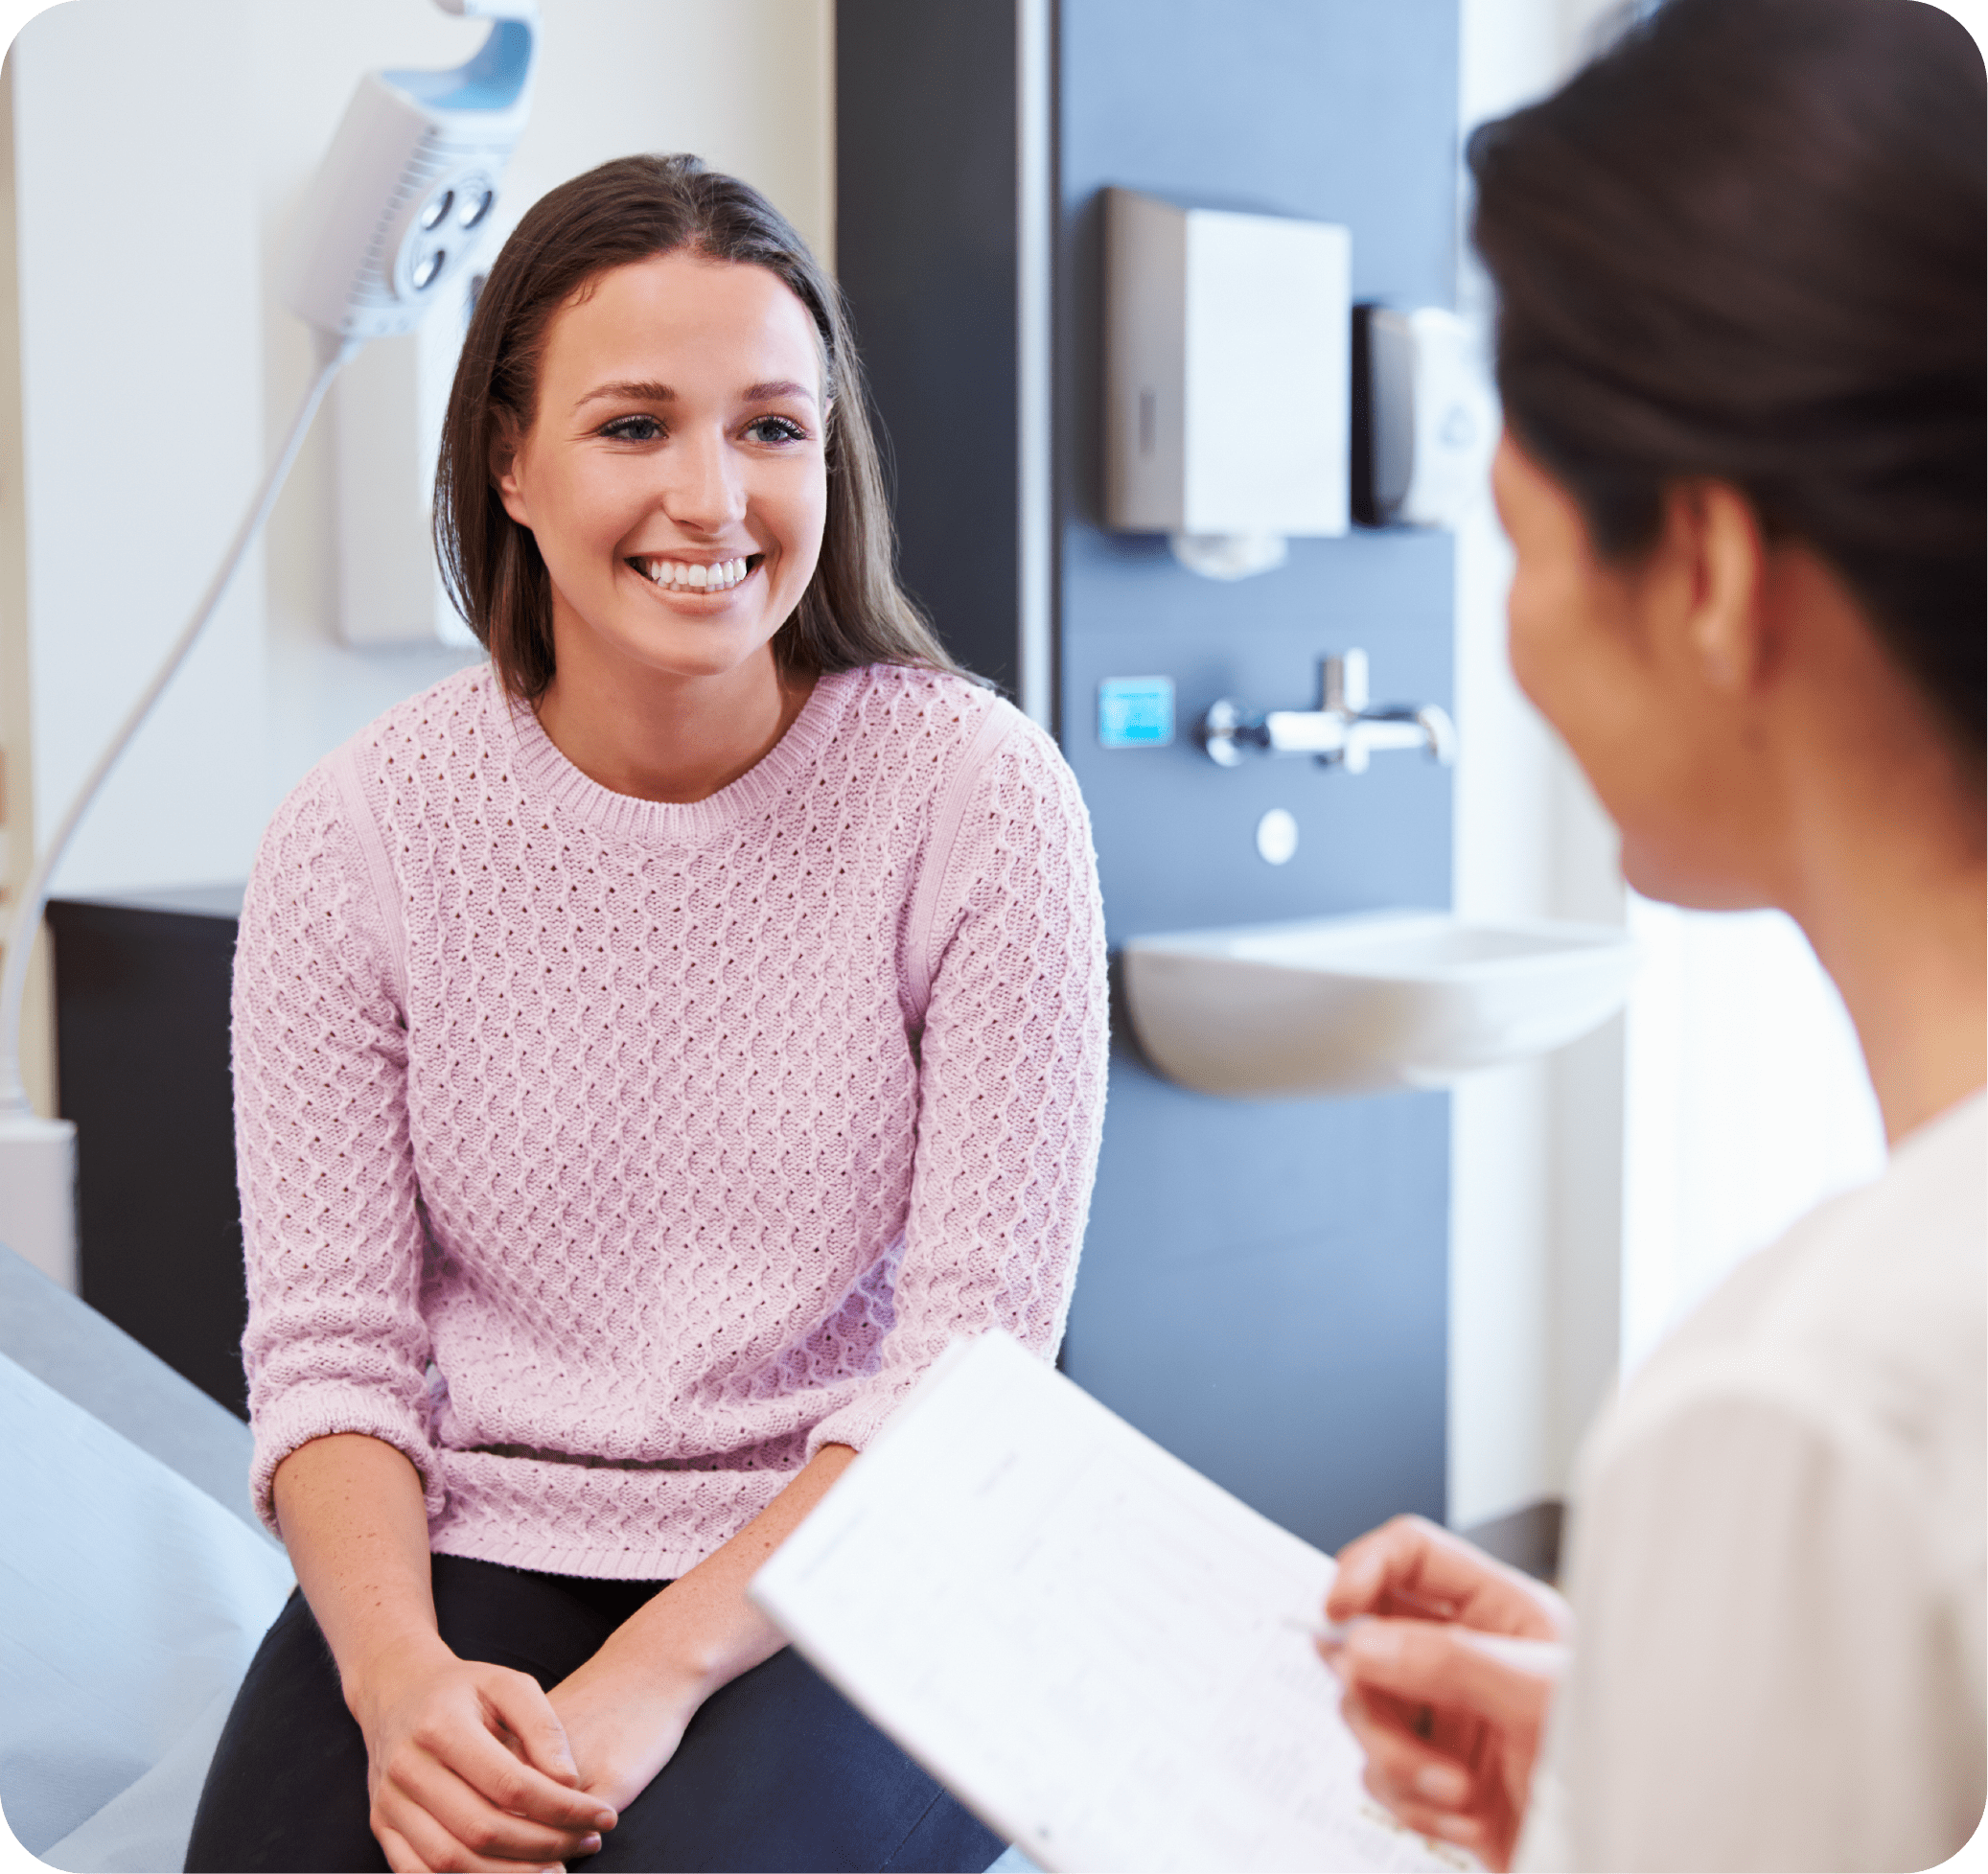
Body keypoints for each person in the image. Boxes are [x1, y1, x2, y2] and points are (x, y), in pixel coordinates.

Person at [186, 154, 1109, 1874]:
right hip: (490, 1527)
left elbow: (971, 1369)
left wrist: (650, 1675)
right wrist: (398, 1681)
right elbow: (330, 1352)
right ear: (509, 463)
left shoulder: (978, 798)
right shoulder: (357, 836)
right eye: (633, 426)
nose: (714, 496)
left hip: (876, 1535)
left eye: (771, 427)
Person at [1319, 3, 1986, 1869]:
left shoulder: (1800, 1401)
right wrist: (1653, 1746)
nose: (1516, 638)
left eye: (1518, 543)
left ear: (1701, 568)